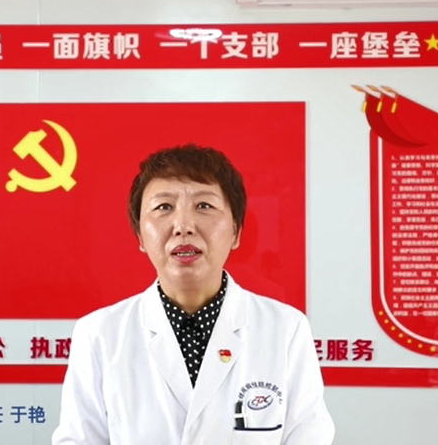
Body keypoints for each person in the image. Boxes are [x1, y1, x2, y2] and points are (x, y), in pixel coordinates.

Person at [52, 144, 335, 445]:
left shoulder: (286, 329)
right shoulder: (99, 334)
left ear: (236, 232)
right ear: (140, 236)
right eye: (164, 207)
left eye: (204, 205)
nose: (184, 226)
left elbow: (309, 436)